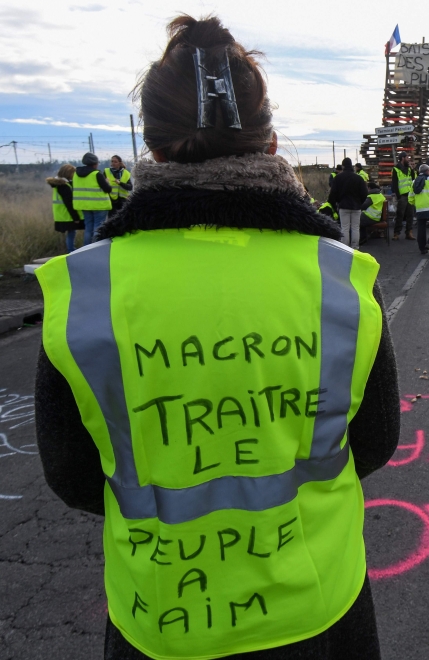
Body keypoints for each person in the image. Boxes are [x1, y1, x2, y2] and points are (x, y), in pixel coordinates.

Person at [33, 15, 399, 660]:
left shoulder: (86, 289)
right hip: (318, 608)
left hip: (161, 614)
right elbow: (372, 443)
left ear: (152, 143)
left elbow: (72, 477)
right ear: (270, 142)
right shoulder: (340, 278)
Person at [73, 152, 113, 245]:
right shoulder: (97, 174)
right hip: (99, 205)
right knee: (98, 228)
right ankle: (96, 248)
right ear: (95, 163)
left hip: (84, 205)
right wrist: (107, 182)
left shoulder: (76, 174)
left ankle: (86, 248)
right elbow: (107, 189)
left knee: (88, 228)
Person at [328, 157, 368, 249]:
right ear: (352, 165)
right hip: (356, 206)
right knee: (355, 228)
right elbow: (365, 193)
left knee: (344, 228)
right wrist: (359, 202)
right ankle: (355, 247)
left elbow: (333, 193)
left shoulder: (338, 178)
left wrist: (337, 202)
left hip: (343, 206)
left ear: (343, 166)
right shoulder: (358, 178)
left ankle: (345, 248)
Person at [47, 163, 84, 253]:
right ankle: (71, 251)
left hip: (61, 214)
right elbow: (69, 203)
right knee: (71, 233)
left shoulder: (59, 184)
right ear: (68, 174)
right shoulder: (64, 187)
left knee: (71, 233)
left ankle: (71, 250)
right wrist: (76, 217)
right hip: (67, 215)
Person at [392, 153, 416, 240]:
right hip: (402, 196)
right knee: (400, 215)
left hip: (410, 195)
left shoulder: (409, 169)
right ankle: (396, 233)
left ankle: (409, 233)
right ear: (402, 158)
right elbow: (394, 183)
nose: (408, 159)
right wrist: (398, 196)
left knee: (410, 214)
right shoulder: (396, 169)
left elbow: (413, 179)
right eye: (407, 157)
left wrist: (413, 169)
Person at [359, 179, 386, 244]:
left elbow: (363, 207)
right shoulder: (381, 195)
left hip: (370, 217)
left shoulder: (371, 196)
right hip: (378, 216)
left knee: (356, 221)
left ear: (369, 188)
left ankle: (362, 238)